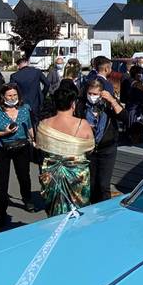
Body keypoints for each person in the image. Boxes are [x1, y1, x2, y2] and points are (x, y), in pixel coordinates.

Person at [36, 85, 94, 215]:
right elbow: (90, 148)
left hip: (52, 172)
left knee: (54, 210)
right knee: (78, 210)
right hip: (77, 173)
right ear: (73, 104)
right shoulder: (82, 124)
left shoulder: (44, 124)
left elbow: (40, 146)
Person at [0, 83, 35, 222]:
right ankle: (0, 210)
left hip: (22, 146)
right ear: (3, 96)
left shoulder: (25, 108)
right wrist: (4, 132)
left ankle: (27, 199)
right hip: (3, 148)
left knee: (24, 176)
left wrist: (34, 139)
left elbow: (29, 126)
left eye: (15, 95)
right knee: (2, 180)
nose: (12, 98)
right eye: (9, 95)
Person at [81, 78, 127, 203]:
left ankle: (104, 211)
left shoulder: (107, 104)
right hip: (89, 150)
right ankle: (92, 209)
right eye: (90, 93)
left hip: (107, 148)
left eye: (95, 94)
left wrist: (112, 100)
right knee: (91, 184)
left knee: (103, 185)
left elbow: (124, 117)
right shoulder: (82, 106)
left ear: (101, 93)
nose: (92, 97)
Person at [10, 56, 48, 123]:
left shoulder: (14, 76)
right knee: (36, 123)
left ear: (18, 65)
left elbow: (12, 90)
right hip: (37, 102)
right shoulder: (37, 72)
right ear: (27, 63)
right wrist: (42, 94)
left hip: (22, 103)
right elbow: (47, 84)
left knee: (24, 123)